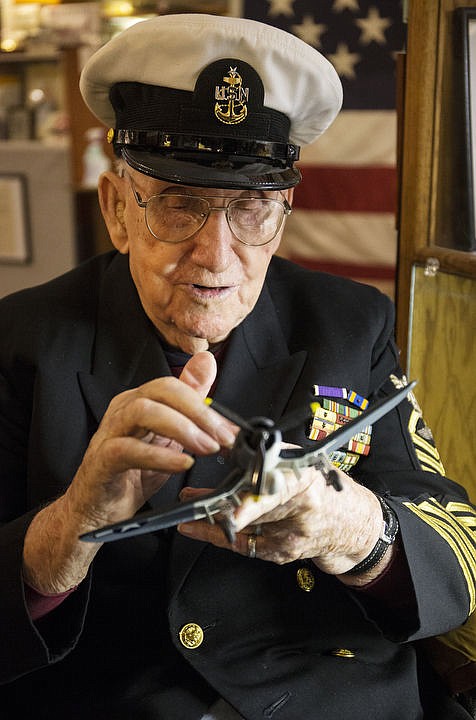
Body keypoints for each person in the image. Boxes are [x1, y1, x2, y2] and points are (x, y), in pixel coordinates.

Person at [0, 13, 474, 720]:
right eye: (180, 206)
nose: (217, 256)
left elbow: (457, 545)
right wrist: (74, 522)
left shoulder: (350, 324)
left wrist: (347, 528)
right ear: (118, 210)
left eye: (251, 209)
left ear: (284, 211)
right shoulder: (23, 340)